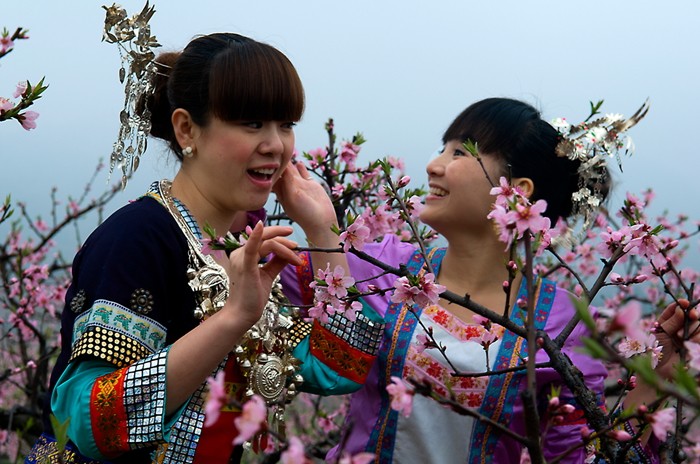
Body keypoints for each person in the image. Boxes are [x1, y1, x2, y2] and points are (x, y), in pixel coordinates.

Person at [24, 30, 378, 464]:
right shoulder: (138, 238)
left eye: (285, 124)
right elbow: (90, 420)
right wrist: (232, 319)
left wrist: (323, 233)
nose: (275, 145)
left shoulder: (249, 243)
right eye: (252, 123)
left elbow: (339, 366)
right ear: (187, 128)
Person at [278, 97, 693, 463]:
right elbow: (254, 287)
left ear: (516, 193)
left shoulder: (560, 323)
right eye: (442, 149)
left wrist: (658, 378)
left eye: (460, 152)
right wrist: (320, 228)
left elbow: (580, 456)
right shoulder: (383, 268)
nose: (434, 165)